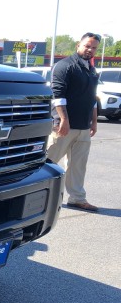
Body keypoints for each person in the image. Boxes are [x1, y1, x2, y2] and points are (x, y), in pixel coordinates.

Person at [47, 32, 100, 212]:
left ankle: (77, 198)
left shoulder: (91, 69)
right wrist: (63, 119)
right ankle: (36, 194)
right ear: (79, 44)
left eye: (94, 47)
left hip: (83, 127)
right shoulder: (65, 66)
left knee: (78, 166)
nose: (90, 50)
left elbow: (92, 97)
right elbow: (57, 95)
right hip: (63, 125)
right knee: (48, 161)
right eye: (87, 46)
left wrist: (94, 121)